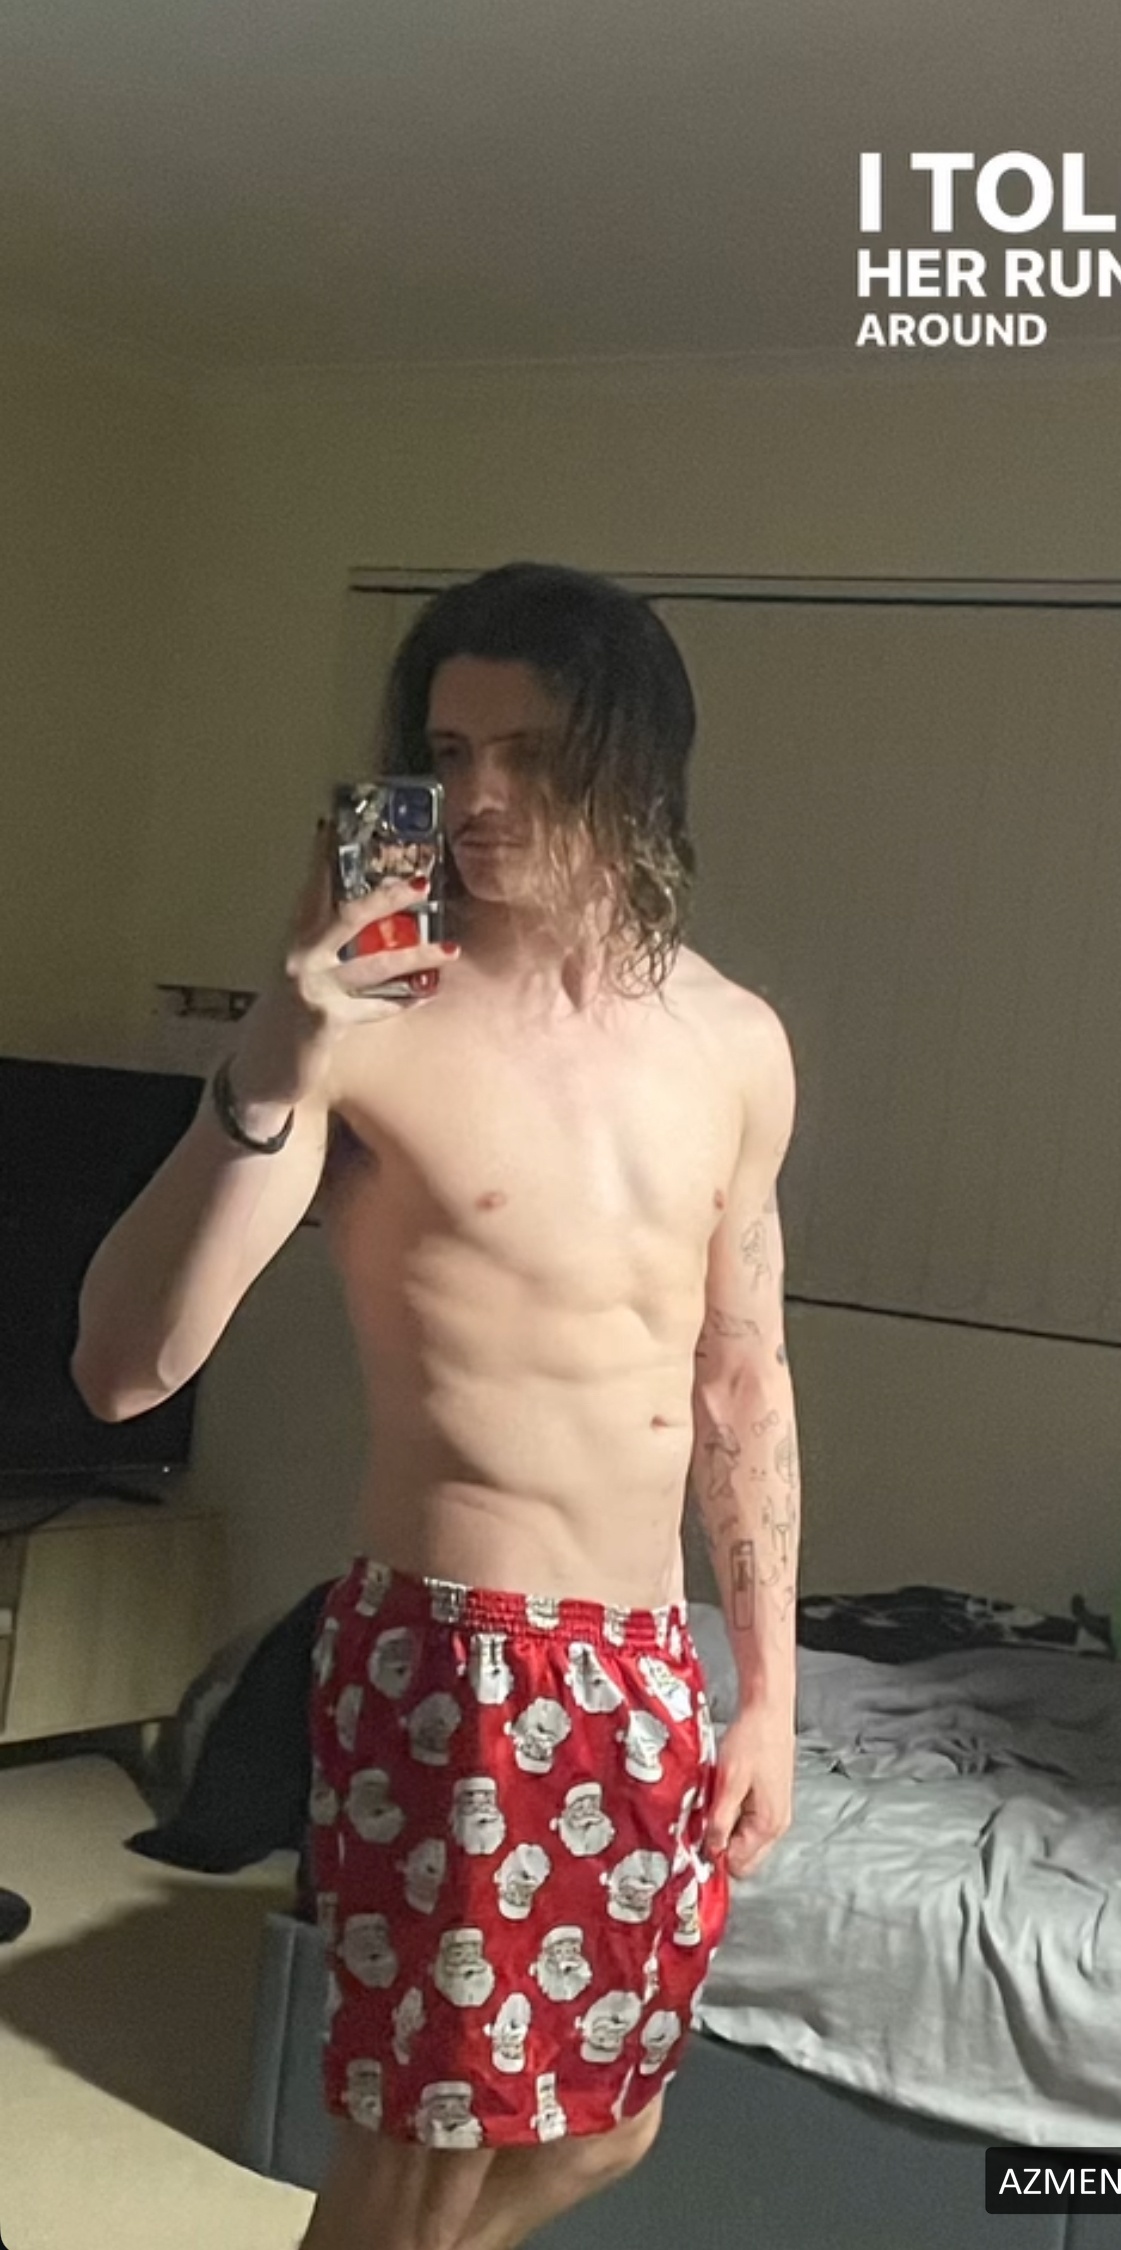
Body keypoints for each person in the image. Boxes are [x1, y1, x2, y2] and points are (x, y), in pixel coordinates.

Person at [72, 562, 801, 2250]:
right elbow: (124, 1368)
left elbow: (740, 1380)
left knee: (612, 2119)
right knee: (415, 2165)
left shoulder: (733, 1043)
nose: (476, 795)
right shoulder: (370, 1028)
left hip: (643, 1663)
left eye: (529, 753)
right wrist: (280, 1042)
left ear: (633, 765)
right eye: (450, 750)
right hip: (454, 1662)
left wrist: (766, 1691)